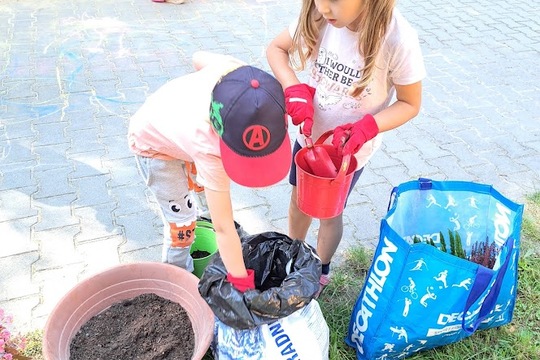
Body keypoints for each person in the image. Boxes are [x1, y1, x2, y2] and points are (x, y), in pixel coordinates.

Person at [266, 0, 426, 296]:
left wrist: (369, 127)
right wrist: (293, 88)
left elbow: (410, 103)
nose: (325, 8)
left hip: (347, 155)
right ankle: (294, 256)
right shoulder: (319, 15)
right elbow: (276, 49)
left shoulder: (398, 38)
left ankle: (319, 269)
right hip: (309, 141)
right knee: (299, 201)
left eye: (335, 0)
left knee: (329, 214)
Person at [128, 51, 291, 292]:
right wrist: (243, 286)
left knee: (208, 197)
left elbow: (197, 58)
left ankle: (232, 247)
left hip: (183, 135)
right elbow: (223, 227)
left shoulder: (240, 77)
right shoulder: (208, 147)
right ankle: (177, 283)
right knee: (182, 224)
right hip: (154, 146)